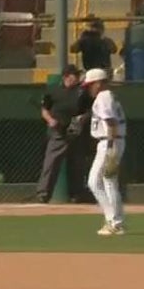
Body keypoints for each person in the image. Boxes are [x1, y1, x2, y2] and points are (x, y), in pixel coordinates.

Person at [82, 68, 127, 236]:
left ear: (99, 83)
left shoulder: (103, 96)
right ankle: (115, 221)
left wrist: (110, 147)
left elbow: (111, 122)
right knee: (107, 181)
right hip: (113, 140)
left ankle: (113, 221)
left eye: (90, 85)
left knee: (97, 182)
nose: (89, 89)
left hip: (109, 141)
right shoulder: (108, 96)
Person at [35, 64, 89, 203]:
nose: (77, 77)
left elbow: (87, 111)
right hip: (58, 132)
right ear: (66, 77)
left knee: (77, 164)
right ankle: (43, 193)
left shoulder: (81, 92)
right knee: (51, 163)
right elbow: (44, 110)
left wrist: (79, 121)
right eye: (74, 75)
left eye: (78, 75)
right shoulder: (53, 91)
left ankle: (77, 194)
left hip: (75, 132)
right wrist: (51, 120)